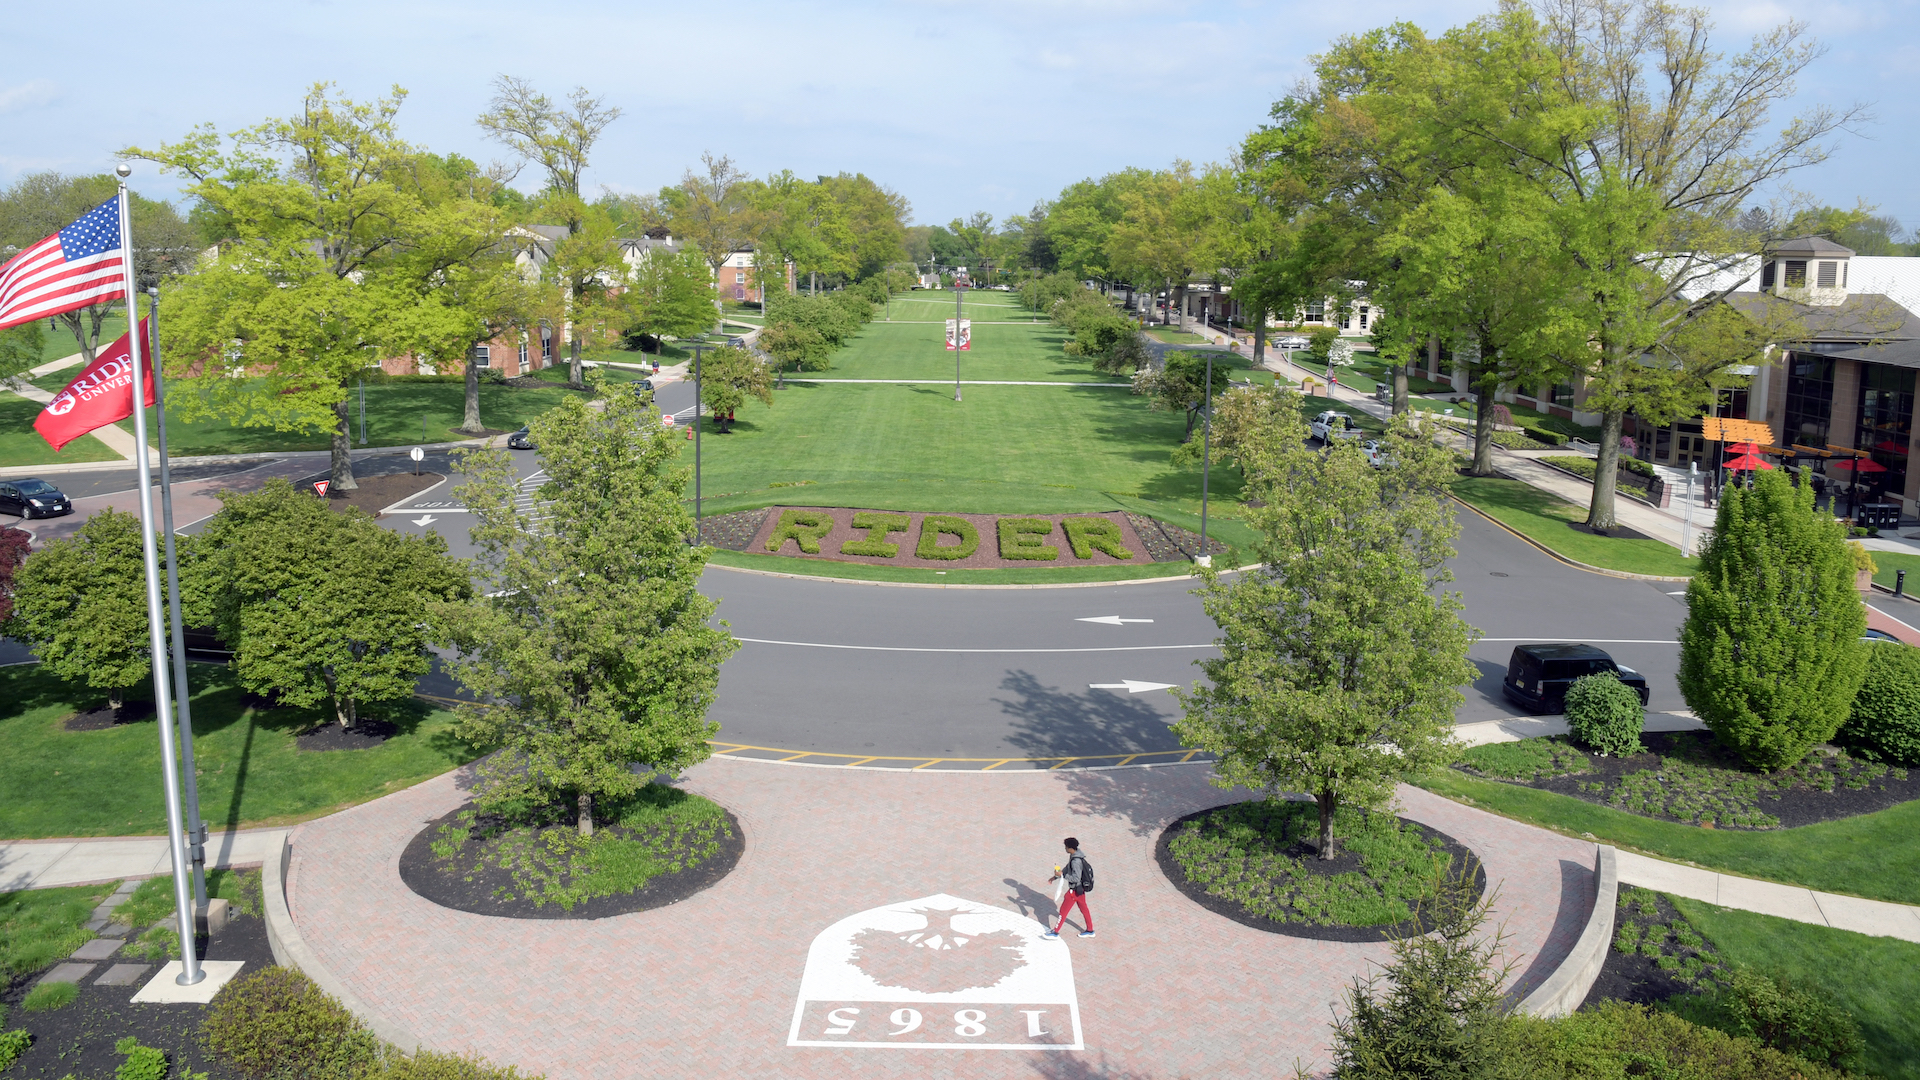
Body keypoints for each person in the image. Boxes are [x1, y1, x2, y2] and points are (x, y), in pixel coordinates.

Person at [1041, 838, 1094, 940]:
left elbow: (1075, 878)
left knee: (1063, 912)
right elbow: (1067, 868)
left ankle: (1055, 932)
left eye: (1066, 847)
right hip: (1080, 891)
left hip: (1074, 891)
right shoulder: (1076, 855)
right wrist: (1056, 877)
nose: (1065, 848)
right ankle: (1090, 930)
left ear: (1070, 848)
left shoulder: (1076, 861)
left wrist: (1062, 875)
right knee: (1084, 909)